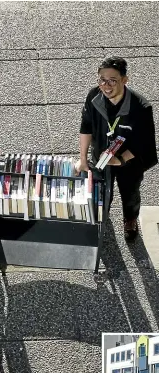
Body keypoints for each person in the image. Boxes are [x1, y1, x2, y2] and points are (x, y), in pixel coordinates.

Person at [76, 57, 158, 242]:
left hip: (129, 162)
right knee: (102, 191)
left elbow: (143, 144)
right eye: (102, 80)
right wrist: (82, 159)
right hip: (102, 157)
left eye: (112, 80)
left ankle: (130, 220)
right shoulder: (93, 96)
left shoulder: (141, 108)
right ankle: (102, 216)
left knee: (130, 193)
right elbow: (86, 126)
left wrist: (120, 160)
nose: (106, 85)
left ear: (124, 80)